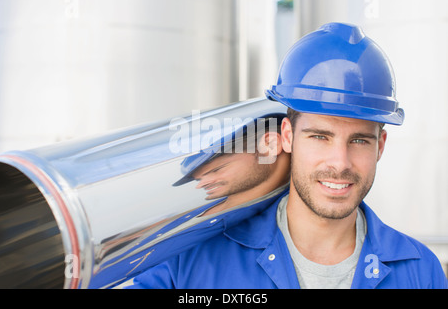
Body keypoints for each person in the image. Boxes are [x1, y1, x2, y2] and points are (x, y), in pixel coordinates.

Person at [127, 22, 448, 289]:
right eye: (320, 137)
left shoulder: (420, 272)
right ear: (287, 136)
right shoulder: (194, 260)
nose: (340, 162)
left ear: (381, 145)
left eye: (360, 141)